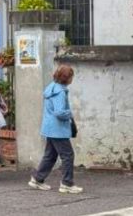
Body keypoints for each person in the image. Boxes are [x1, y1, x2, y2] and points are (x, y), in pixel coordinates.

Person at [28, 64, 82, 194]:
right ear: (67, 78)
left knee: (50, 155)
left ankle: (37, 179)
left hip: (50, 128)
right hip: (58, 130)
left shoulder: (52, 87)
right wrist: (69, 113)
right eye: (71, 77)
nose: (72, 79)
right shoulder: (60, 92)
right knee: (68, 155)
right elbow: (59, 112)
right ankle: (67, 183)